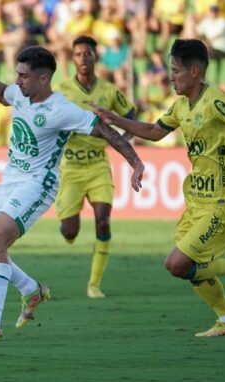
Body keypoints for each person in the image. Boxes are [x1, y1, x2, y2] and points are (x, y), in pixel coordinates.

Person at [91, 39, 225, 337]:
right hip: (196, 203)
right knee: (188, 267)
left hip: (220, 203)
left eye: (175, 71)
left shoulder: (217, 101)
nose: (171, 76)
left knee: (177, 263)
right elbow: (153, 131)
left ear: (194, 72)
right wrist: (114, 118)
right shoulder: (180, 106)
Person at [0, 46, 145, 341]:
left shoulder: (62, 109)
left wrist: (135, 163)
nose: (18, 81)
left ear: (44, 79)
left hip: (38, 183)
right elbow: (1, 94)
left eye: (24, 76)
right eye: (18, 75)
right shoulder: (20, 94)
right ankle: (30, 289)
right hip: (10, 179)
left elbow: (105, 131)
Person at [54, 36, 137, 298]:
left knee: (103, 221)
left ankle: (94, 284)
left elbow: (130, 115)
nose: (82, 59)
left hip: (98, 165)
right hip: (70, 168)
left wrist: (123, 140)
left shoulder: (109, 91)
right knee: (70, 230)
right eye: (77, 54)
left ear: (95, 57)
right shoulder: (62, 90)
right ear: (73, 58)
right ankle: (67, 229)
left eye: (87, 54)